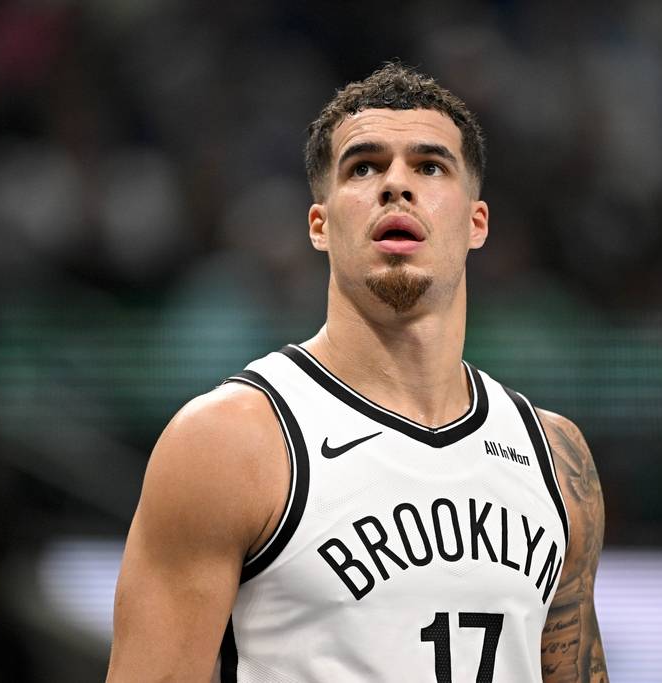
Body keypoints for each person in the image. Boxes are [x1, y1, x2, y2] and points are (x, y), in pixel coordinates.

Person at [107, 62, 608, 683]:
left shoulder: (555, 459)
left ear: (476, 222)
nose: (396, 184)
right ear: (320, 225)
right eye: (364, 167)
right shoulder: (229, 442)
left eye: (430, 167)